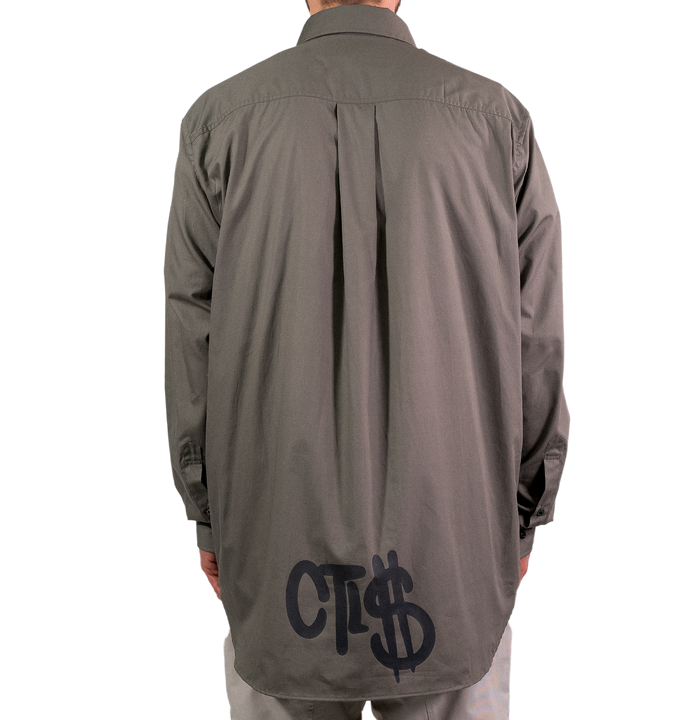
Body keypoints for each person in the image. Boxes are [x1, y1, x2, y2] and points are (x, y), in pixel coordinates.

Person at [162, 0, 572, 717]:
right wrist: (525, 513)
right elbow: (537, 337)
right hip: (455, 547)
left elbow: (190, 337)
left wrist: (207, 515)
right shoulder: (494, 118)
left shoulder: (220, 119)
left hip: (275, 545)